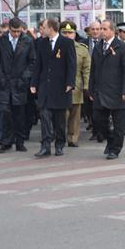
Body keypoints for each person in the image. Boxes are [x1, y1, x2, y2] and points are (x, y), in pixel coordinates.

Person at [88, 20, 125, 160]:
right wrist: (90, 90)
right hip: (101, 91)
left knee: (119, 124)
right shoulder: (98, 47)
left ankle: (115, 149)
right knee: (98, 120)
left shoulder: (122, 47)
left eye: (104, 28)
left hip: (118, 92)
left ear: (112, 31)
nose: (101, 31)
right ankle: (110, 140)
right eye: (100, 28)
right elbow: (93, 70)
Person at [31, 18, 76, 157]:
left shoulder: (67, 43)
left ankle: (59, 144)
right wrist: (33, 83)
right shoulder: (41, 43)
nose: (41, 29)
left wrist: (70, 82)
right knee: (44, 116)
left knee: (59, 120)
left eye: (43, 27)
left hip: (61, 87)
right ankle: (45, 146)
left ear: (51, 28)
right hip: (45, 87)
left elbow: (71, 64)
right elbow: (38, 65)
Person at [0, 18, 36, 153]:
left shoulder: (27, 41)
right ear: (9, 29)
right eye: (13, 31)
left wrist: (25, 77)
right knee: (5, 114)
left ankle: (20, 141)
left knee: (20, 114)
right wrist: (0, 76)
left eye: (18, 31)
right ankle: (5, 142)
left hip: (20, 83)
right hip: (4, 83)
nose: (16, 34)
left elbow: (32, 61)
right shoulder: (0, 41)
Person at [60, 22, 91, 147]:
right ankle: (59, 137)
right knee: (61, 115)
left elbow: (87, 69)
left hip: (76, 86)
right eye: (65, 33)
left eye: (70, 33)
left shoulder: (82, 49)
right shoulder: (55, 47)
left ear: (74, 34)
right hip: (59, 86)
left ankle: (72, 138)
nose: (68, 35)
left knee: (75, 114)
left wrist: (87, 86)